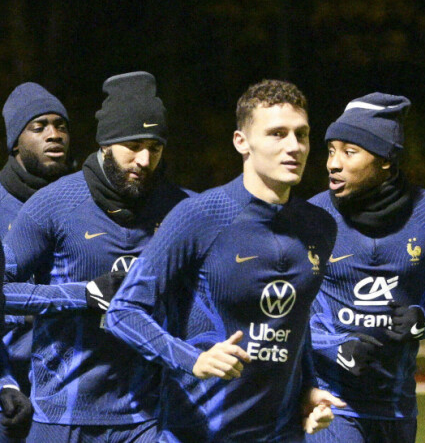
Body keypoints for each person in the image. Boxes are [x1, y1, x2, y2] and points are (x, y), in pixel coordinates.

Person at [106, 79, 345, 442]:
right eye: (277, 134)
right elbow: (122, 313)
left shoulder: (319, 227)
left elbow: (297, 323)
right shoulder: (199, 216)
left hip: (281, 434)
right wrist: (193, 359)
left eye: (302, 134)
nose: (294, 147)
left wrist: (309, 390)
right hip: (197, 434)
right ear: (241, 142)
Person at [2, 72, 192, 442]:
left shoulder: (183, 210)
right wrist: (84, 294)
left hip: (147, 417)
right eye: (132, 145)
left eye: (155, 148)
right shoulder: (53, 205)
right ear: (105, 144)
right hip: (62, 415)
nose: (144, 160)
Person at [307, 93, 425, 443]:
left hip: (398, 409)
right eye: (331, 150)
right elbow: (279, 316)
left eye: (349, 152)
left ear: (386, 160)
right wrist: (334, 346)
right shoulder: (311, 219)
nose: (333, 163)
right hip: (331, 405)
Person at [0, 82, 71, 441]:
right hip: (10, 389)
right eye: (39, 126)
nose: (54, 135)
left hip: (69, 393)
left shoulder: (81, 204)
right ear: (15, 143)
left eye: (61, 126)